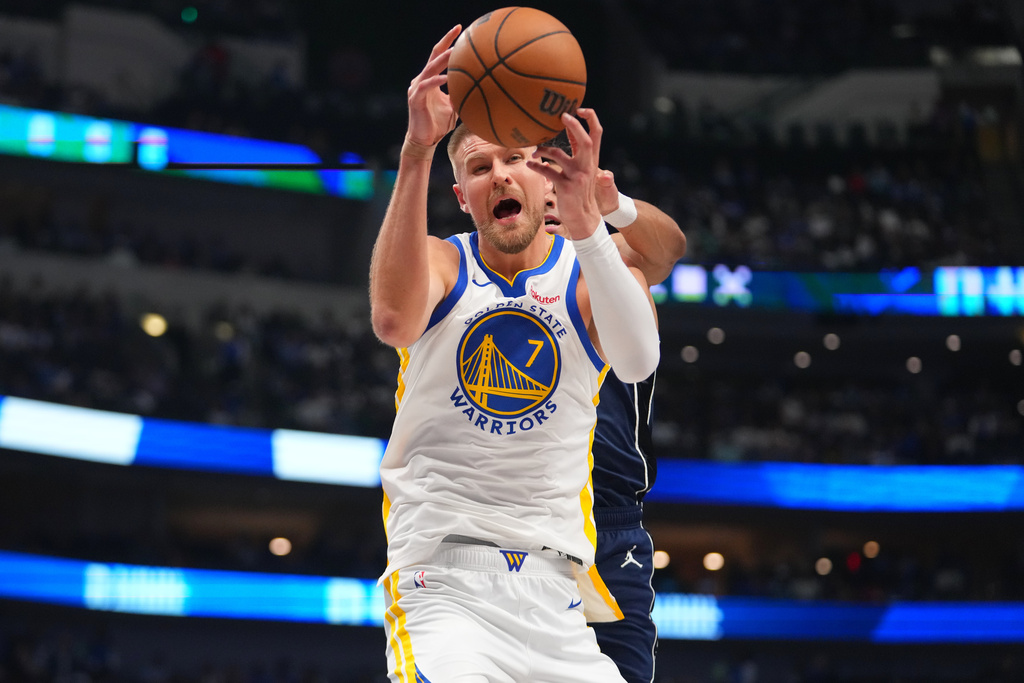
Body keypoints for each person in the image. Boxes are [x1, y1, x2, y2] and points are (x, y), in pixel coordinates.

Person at [368, 25, 660, 683]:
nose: (498, 172)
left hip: (555, 600)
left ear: (546, 172)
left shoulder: (590, 276)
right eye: (478, 166)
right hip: (444, 587)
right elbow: (391, 319)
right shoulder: (444, 265)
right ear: (464, 196)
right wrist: (418, 149)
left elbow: (638, 359)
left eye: (514, 157)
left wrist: (590, 223)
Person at [540, 135, 686, 683]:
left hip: (608, 518)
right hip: (528, 513)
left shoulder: (617, 262)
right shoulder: (488, 273)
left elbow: (668, 246)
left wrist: (610, 203)